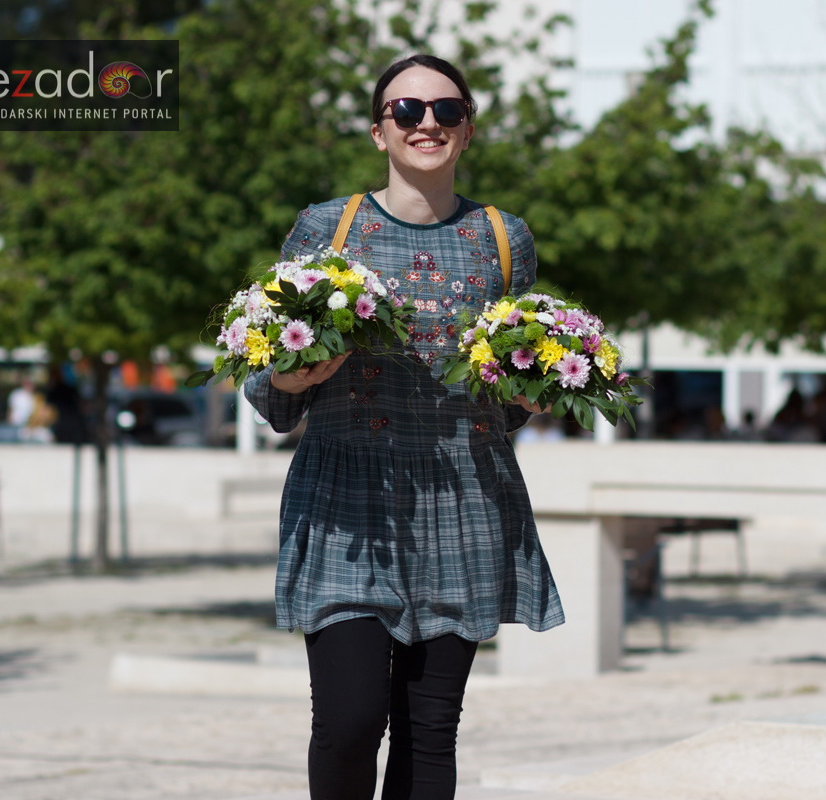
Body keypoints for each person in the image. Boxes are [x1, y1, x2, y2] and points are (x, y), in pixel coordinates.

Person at [243, 54, 564, 800]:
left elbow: (501, 395)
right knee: (350, 720)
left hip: (464, 499)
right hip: (345, 503)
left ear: (468, 130)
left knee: (429, 730)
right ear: (378, 131)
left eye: (447, 111)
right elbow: (268, 378)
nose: (428, 123)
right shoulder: (326, 228)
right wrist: (290, 377)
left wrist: (534, 395)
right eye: (407, 110)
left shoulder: (504, 238)